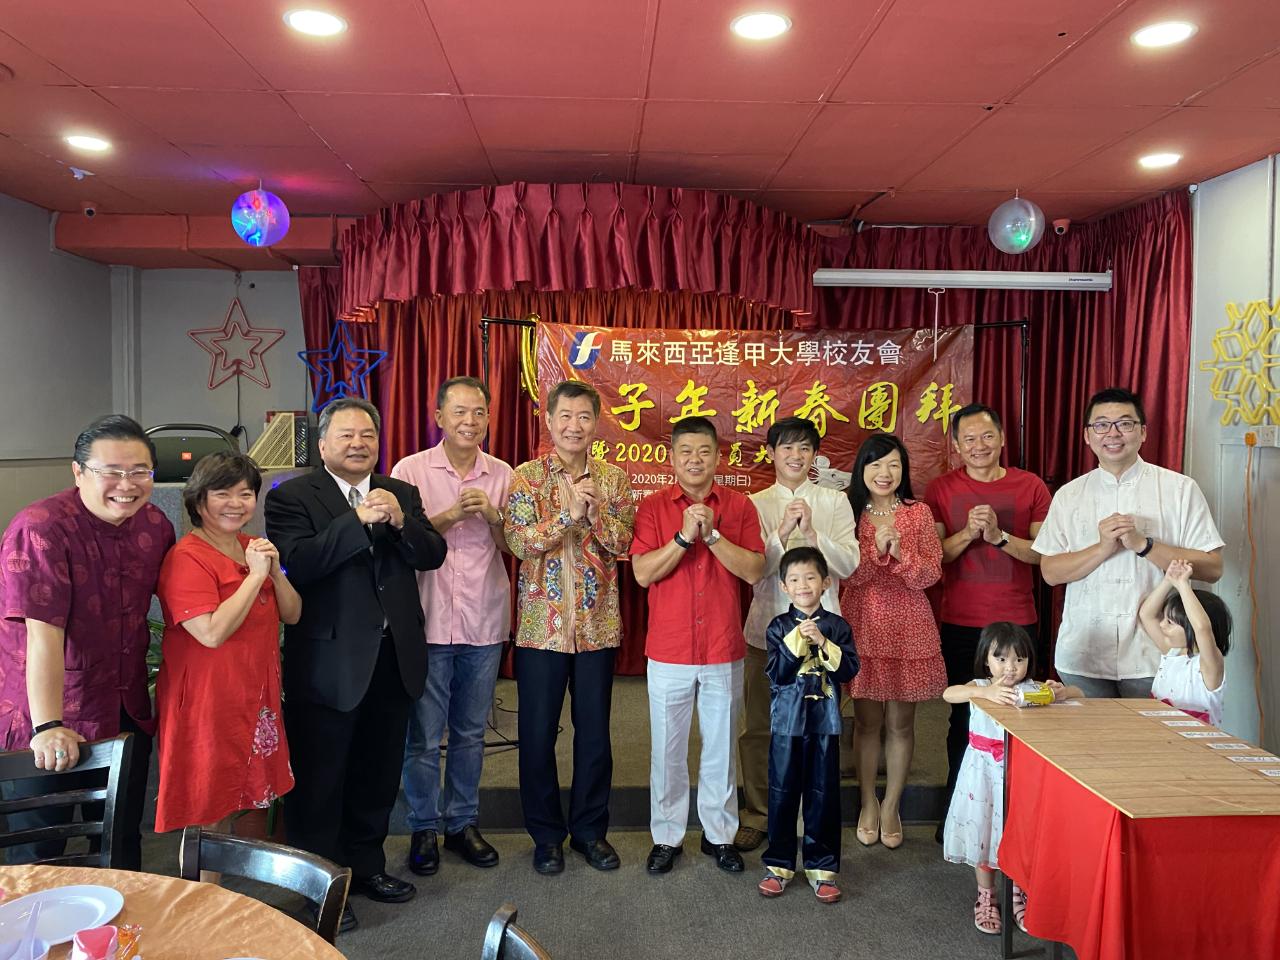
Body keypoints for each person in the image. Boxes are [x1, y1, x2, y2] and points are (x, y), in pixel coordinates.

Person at [265, 397, 446, 933]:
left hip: (393, 658)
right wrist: (355, 521)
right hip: (328, 661)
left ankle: (367, 867)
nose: (358, 444)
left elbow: (430, 554)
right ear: (323, 445)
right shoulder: (292, 495)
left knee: (377, 772)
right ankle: (318, 886)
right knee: (322, 780)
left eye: (367, 434)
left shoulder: (402, 492)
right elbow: (299, 562)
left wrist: (397, 522)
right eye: (345, 435)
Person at [0, 415, 175, 868]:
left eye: (140, 471)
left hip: (124, 707)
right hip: (51, 712)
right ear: (78, 472)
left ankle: (121, 938)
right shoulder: (40, 528)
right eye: (110, 471)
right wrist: (47, 726)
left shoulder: (154, 525)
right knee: (39, 849)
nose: (127, 484)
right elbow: (43, 638)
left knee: (119, 843)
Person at [504, 381, 635, 876]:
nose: (574, 426)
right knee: (536, 735)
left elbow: (623, 541)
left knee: (594, 735)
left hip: (597, 628)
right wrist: (566, 514)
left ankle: (589, 832)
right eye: (566, 416)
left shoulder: (614, 479)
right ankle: (545, 835)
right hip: (542, 629)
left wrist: (595, 510)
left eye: (584, 417)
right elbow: (518, 541)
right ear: (549, 420)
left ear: (596, 423)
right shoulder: (527, 477)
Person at [390, 376, 513, 875]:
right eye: (459, 411)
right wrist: (448, 516)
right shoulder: (409, 470)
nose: (470, 421)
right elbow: (401, 542)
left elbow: (515, 548)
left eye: (479, 412)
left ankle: (462, 823)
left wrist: (496, 519)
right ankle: (423, 826)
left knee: (468, 733)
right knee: (422, 736)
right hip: (427, 621)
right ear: (438, 416)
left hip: (483, 620)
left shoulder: (503, 473)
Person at [632, 416, 765, 876]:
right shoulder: (652, 507)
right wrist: (684, 537)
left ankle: (719, 835)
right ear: (672, 457)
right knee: (666, 750)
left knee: (720, 748)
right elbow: (644, 573)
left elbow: (753, 570)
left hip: (722, 647)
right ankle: (667, 837)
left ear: (717, 457)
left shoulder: (739, 506)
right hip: (668, 649)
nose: (694, 459)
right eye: (685, 451)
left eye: (703, 451)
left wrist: (711, 535)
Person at [1035, 387, 1225, 698]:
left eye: (1125, 423)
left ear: (1143, 432)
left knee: (1151, 746)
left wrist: (1145, 545)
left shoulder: (1179, 489)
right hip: (1084, 652)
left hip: (1159, 654)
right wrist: (1102, 549)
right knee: (1089, 746)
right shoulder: (1069, 495)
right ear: (1087, 435)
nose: (1113, 433)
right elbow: (1051, 572)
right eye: (1101, 425)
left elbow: (1213, 568)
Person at [154, 452, 300, 842]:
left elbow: (294, 613)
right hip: (209, 701)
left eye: (246, 493)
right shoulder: (186, 557)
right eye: (223, 493)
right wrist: (255, 577)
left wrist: (274, 571)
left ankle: (221, 895)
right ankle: (202, 899)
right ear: (199, 499)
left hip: (253, 696)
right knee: (209, 811)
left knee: (240, 800)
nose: (237, 504)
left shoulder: (252, 545)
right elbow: (211, 633)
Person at [923, 403, 1051, 839]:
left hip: (1016, 623)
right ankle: (957, 815)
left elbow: (1043, 555)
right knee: (963, 720)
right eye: (969, 439)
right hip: (961, 621)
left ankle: (1015, 818)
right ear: (956, 445)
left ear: (1001, 439)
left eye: (987, 437)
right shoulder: (940, 488)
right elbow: (934, 558)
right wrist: (968, 534)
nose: (979, 446)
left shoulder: (1029, 485)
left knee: (1020, 719)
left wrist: (998, 536)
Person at [739, 417, 859, 853]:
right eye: (786, 448)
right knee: (759, 727)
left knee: (819, 728)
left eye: (804, 448)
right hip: (766, 632)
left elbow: (847, 566)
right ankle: (757, 814)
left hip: (821, 635)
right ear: (771, 453)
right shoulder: (753, 503)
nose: (795, 455)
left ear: (814, 455)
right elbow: (756, 569)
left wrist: (812, 534)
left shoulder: (834, 501)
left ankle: (813, 817)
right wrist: (782, 534)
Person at [942, 622, 1083, 935]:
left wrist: (1062, 691)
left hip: (1020, 776)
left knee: (1020, 834)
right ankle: (986, 896)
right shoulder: (980, 686)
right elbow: (949, 694)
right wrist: (983, 692)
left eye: (1019, 660)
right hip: (983, 776)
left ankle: (1019, 891)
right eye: (1001, 659)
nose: (1011, 667)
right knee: (983, 832)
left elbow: (1078, 694)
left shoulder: (1032, 690)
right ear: (986, 660)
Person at [839, 433, 943, 850]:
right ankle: (867, 800)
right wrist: (874, 552)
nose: (885, 473)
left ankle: (892, 805)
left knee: (902, 724)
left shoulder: (918, 514)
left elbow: (929, 575)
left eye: (894, 465)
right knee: (866, 723)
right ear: (862, 469)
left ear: (904, 471)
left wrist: (900, 555)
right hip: (862, 623)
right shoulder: (847, 511)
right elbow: (846, 574)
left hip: (908, 626)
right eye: (876, 464)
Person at [757, 546, 857, 903]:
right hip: (787, 723)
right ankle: (779, 863)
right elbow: (777, 673)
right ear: (784, 586)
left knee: (823, 794)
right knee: (782, 793)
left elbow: (849, 669)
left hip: (825, 724)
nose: (803, 585)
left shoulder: (838, 626)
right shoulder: (778, 627)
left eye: (811, 577)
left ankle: (822, 866)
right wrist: (799, 640)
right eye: (795, 579)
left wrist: (824, 641)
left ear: (826, 583)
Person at [1138, 559, 1231, 726]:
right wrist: (1169, 580)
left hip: (1197, 748)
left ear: (1191, 629)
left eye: (1170, 622)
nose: (1161, 624)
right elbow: (1147, 614)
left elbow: (1202, 628)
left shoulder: (1209, 664)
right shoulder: (1171, 652)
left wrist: (1183, 586)